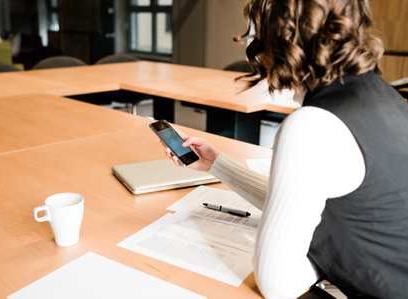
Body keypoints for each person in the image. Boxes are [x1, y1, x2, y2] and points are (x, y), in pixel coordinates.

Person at [162, 0, 408, 298]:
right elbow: (308, 205)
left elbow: (278, 285)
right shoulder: (386, 96)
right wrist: (217, 165)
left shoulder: (313, 125)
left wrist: (322, 251)